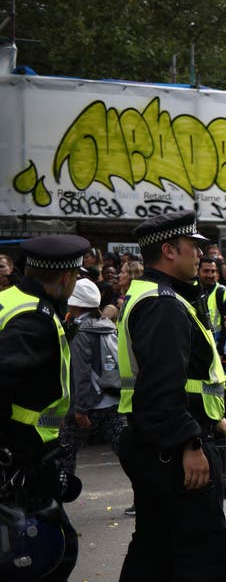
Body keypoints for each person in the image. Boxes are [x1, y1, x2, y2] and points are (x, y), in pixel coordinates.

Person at [116, 211, 226, 580]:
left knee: (155, 552)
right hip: (170, 451)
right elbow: (162, 386)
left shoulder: (150, 294)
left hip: (152, 442)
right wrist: (190, 443)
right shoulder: (164, 304)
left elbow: (183, 377)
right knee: (204, 558)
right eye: (193, 247)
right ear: (169, 250)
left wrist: (213, 416)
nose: (201, 256)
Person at [0, 234, 90, 581]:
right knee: (43, 555)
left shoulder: (10, 298)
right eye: (77, 275)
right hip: (23, 456)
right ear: (65, 277)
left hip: (24, 455)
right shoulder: (34, 319)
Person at [59, 277, 126, 478]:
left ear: (75, 302)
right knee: (127, 453)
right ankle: (148, 496)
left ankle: (57, 500)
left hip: (88, 404)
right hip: (111, 399)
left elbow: (81, 372)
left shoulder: (79, 330)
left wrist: (80, 409)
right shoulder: (106, 324)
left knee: (65, 453)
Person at [198, 255, 226, 357]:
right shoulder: (190, 291)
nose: (210, 275)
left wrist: (220, 352)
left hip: (215, 349)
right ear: (198, 271)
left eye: (213, 271)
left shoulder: (224, 294)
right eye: (206, 271)